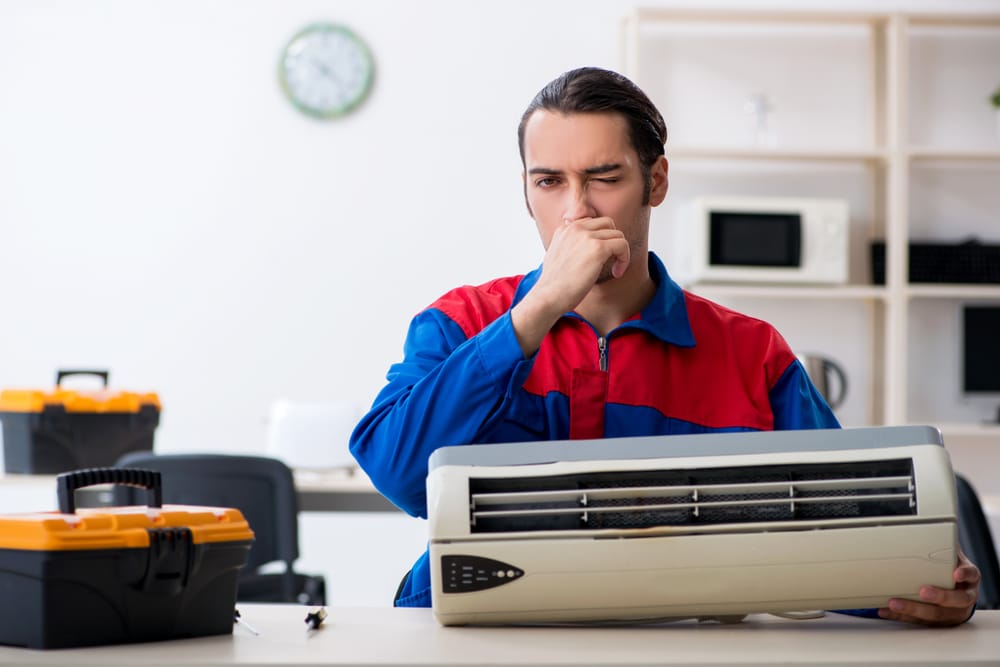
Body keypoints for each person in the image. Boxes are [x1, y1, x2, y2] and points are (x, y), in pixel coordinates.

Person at [349, 66, 980, 625]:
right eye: (549, 182)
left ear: (655, 182)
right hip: (476, 637)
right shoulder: (460, 323)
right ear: (525, 191)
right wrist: (536, 311)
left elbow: (830, 536)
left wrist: (915, 586)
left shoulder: (752, 353)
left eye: (603, 178)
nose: (576, 211)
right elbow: (402, 478)